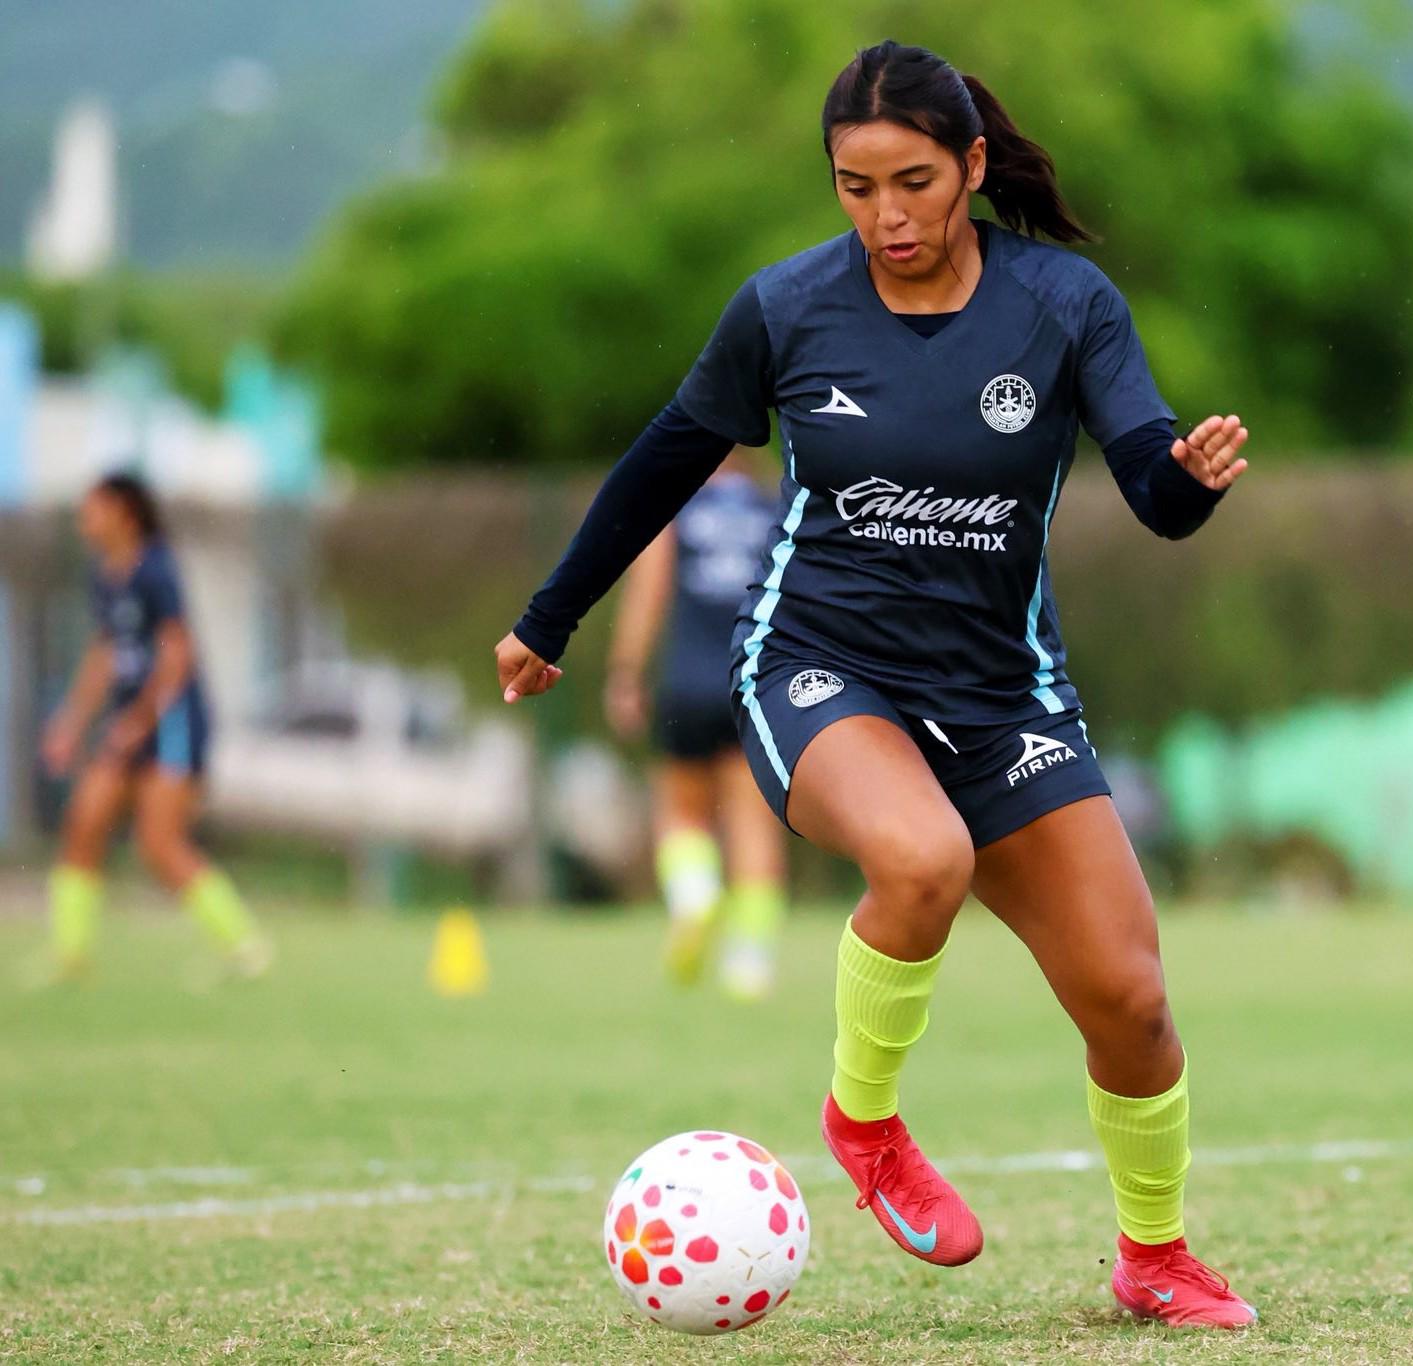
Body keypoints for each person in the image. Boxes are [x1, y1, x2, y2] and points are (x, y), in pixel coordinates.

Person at [495, 41, 1255, 1327]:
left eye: (911, 181)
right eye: (854, 187)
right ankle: (866, 1124)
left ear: (970, 165)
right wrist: (550, 616)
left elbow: (1151, 488)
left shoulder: (1064, 305)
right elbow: (662, 463)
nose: (886, 216)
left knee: (1131, 1000)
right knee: (920, 859)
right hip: (817, 667)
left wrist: (1187, 475)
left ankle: (1153, 1256)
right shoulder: (787, 308)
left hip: (1003, 698)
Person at [39, 472, 268, 979]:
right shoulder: (103, 574)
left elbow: (178, 652)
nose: (84, 520)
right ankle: (70, 956)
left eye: (92, 509)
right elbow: (105, 653)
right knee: (83, 822)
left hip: (171, 723)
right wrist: (72, 721)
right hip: (126, 722)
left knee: (159, 843)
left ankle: (246, 946)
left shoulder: (156, 570)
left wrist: (142, 720)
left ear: (123, 511)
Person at [603, 448, 788, 999]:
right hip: (753, 682)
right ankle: (750, 963)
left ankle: (694, 897)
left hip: (686, 683)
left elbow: (649, 590)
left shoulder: (677, 509)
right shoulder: (775, 510)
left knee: (681, 809)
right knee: (752, 821)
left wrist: (627, 671)